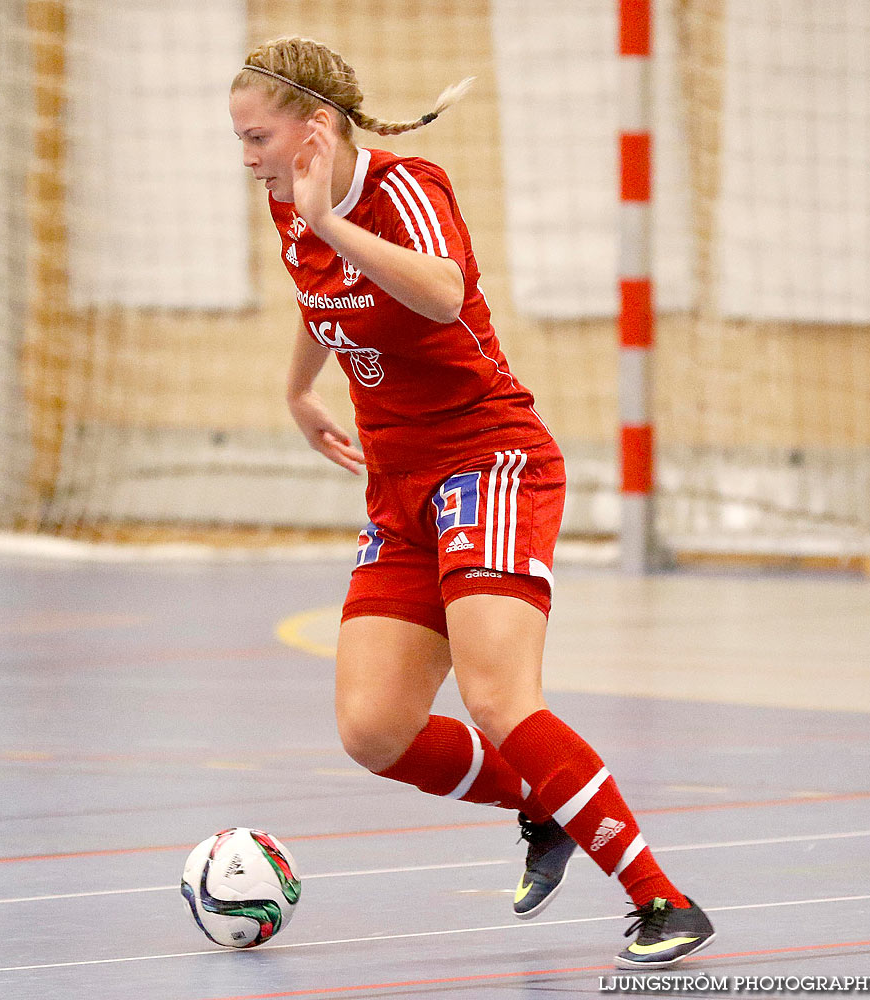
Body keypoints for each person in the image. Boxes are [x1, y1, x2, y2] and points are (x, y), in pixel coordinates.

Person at [229, 37, 715, 968]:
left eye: (258, 136)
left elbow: (444, 296)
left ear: (316, 129)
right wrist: (298, 390)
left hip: (487, 462)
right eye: (243, 141)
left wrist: (329, 220)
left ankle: (662, 901)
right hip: (398, 485)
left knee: (499, 697)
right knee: (375, 730)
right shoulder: (291, 198)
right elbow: (316, 294)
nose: (249, 156)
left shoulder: (408, 188)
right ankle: (547, 798)